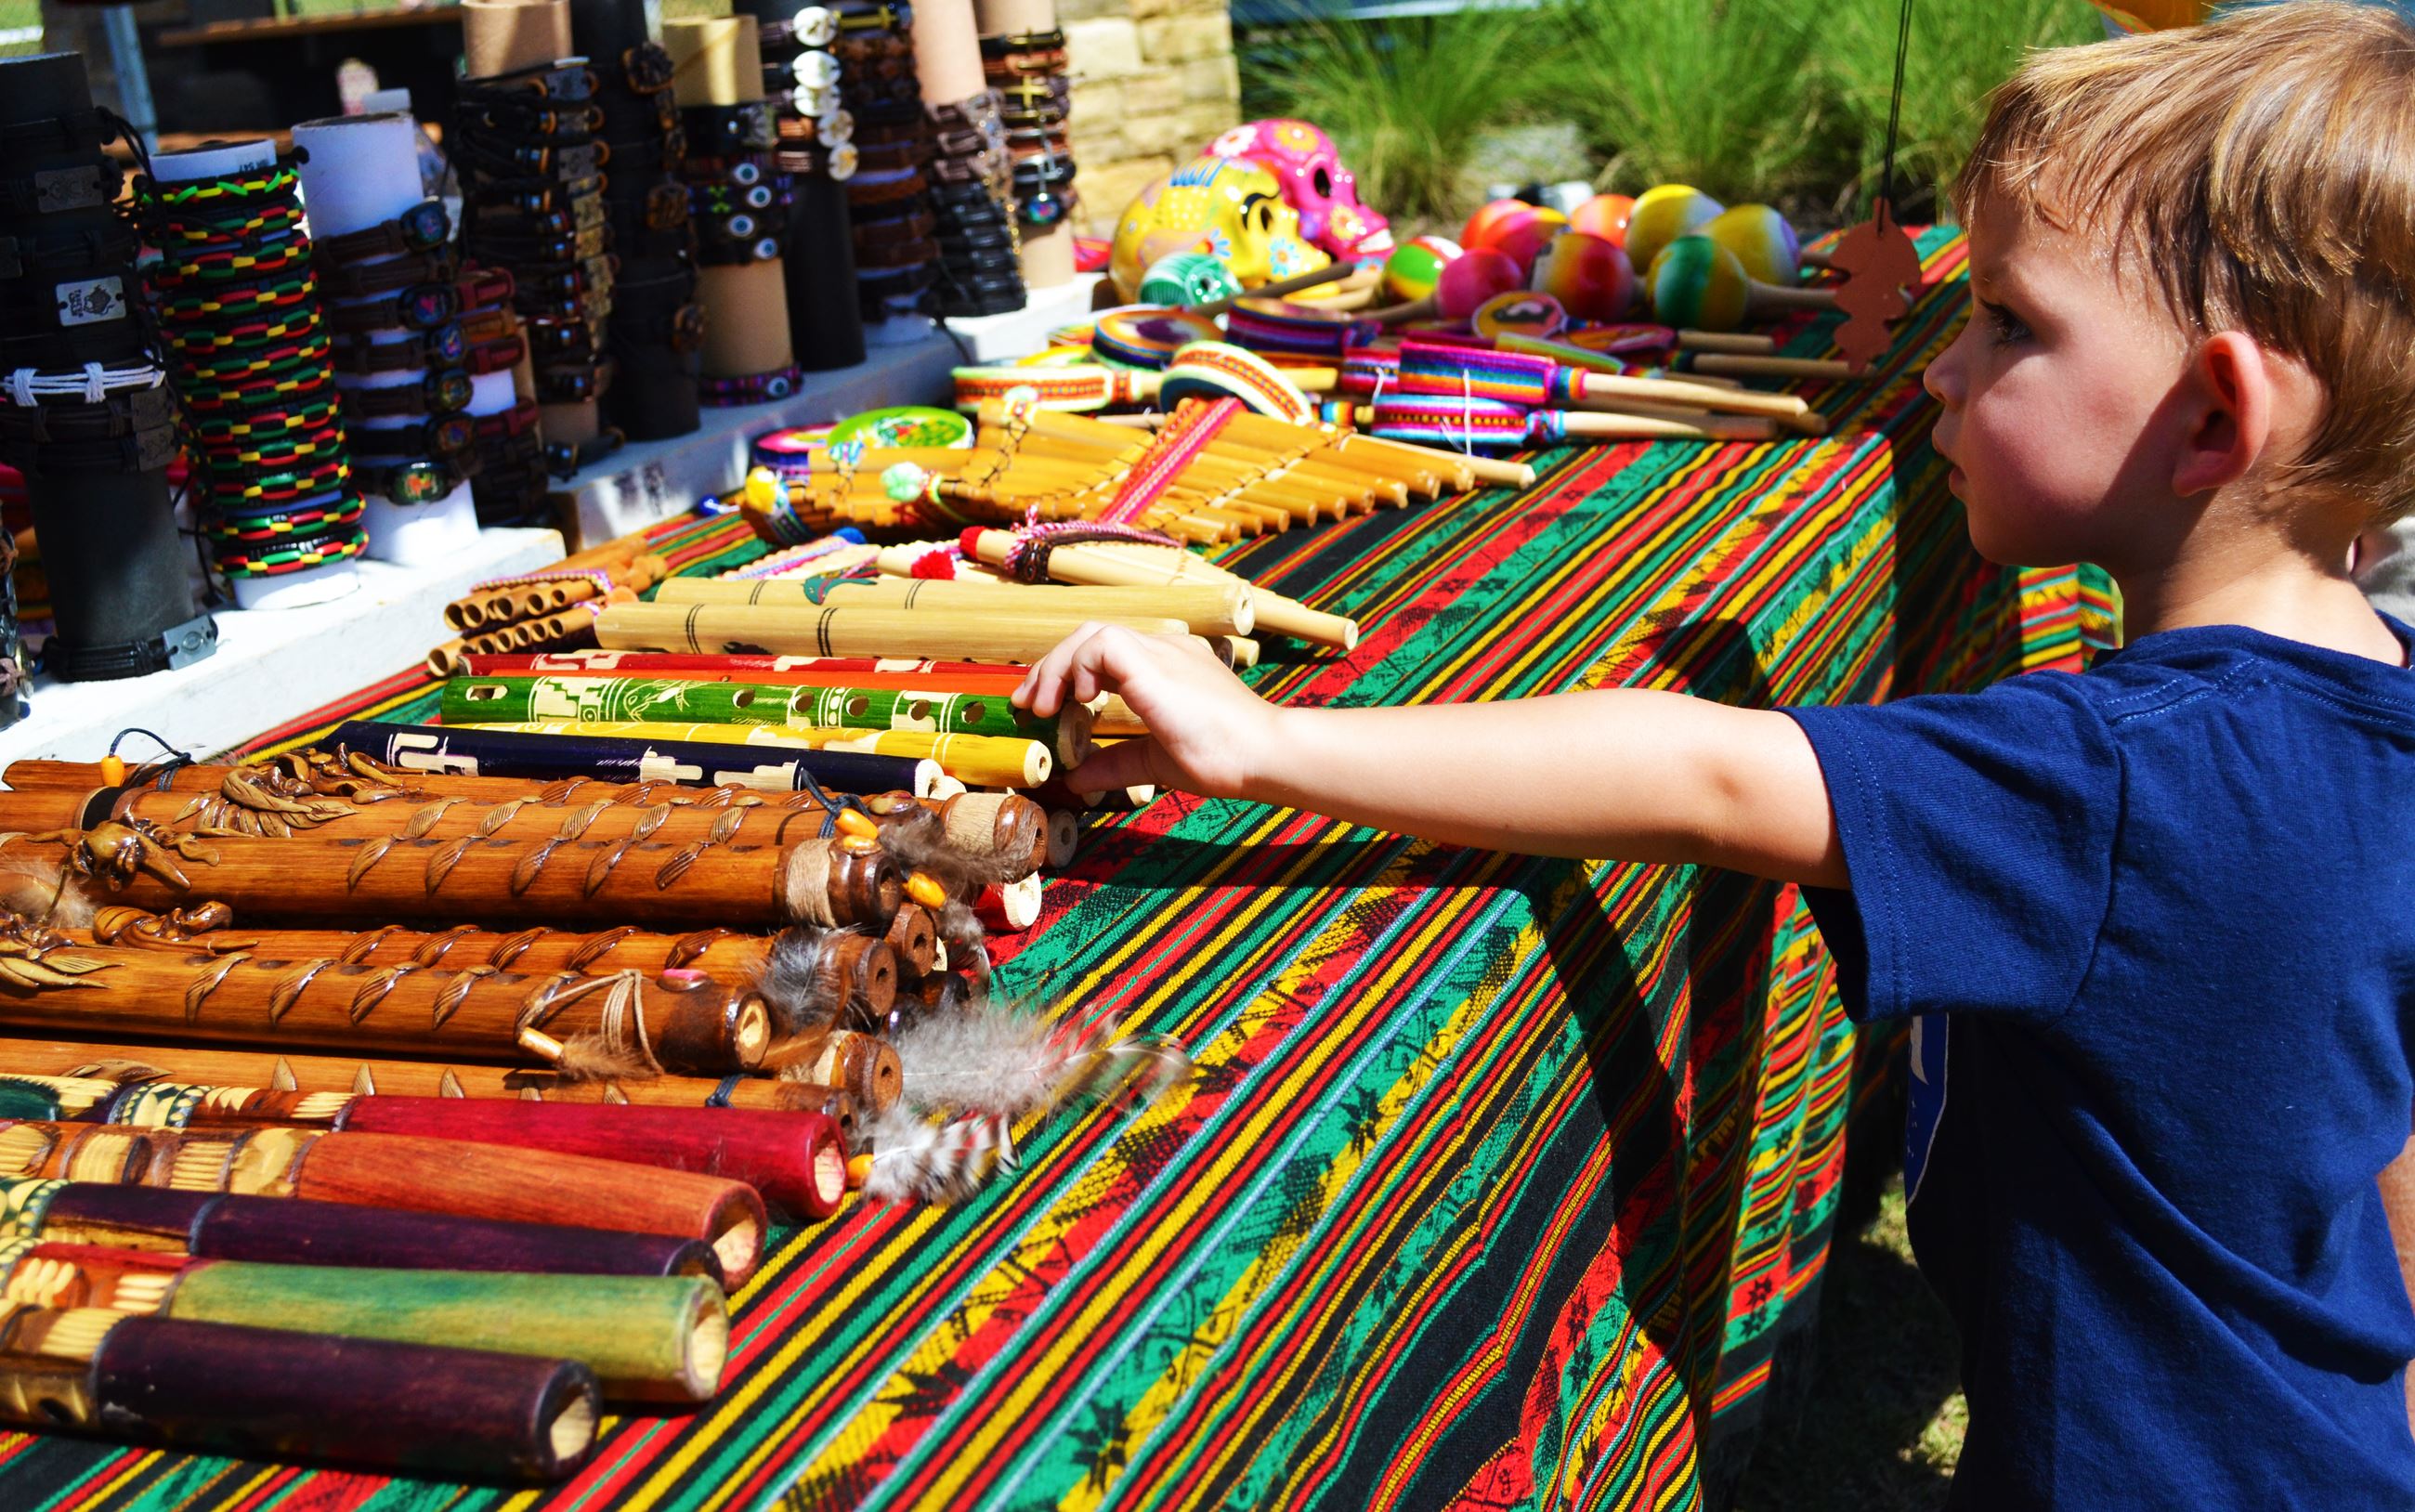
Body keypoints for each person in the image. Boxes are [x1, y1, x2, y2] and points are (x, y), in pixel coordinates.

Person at [1014, 4, 2415, 1504]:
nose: (1944, 372)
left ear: (2213, 418)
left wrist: (1257, 741)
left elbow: (1709, 774)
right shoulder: (2385, 693)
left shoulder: (2111, 782)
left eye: (2009, 322)